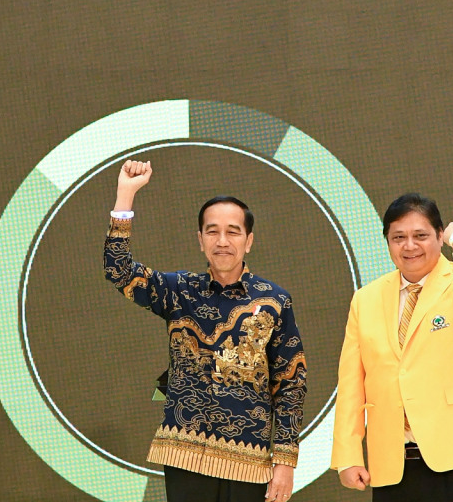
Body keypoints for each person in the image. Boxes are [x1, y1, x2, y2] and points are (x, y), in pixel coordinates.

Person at [104, 159, 307, 502]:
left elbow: (290, 381)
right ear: (200, 240)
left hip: (250, 458)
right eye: (212, 231)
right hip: (184, 454)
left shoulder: (274, 301)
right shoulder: (179, 290)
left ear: (249, 240)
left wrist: (285, 461)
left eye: (233, 231)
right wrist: (126, 194)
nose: (222, 241)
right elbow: (119, 271)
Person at [331, 192, 453, 501]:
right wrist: (348, 455)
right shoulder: (366, 299)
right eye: (398, 237)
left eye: (421, 235)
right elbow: (351, 385)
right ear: (387, 242)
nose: (409, 246)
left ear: (440, 237)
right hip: (395, 464)